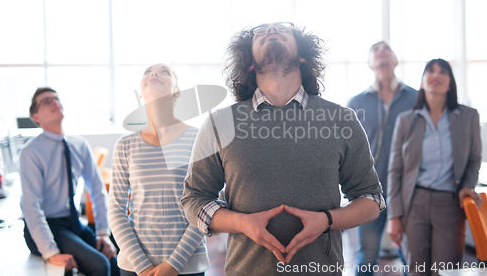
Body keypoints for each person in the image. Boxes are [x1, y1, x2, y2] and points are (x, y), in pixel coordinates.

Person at [181, 22, 385, 276]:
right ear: (250, 63)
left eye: (282, 29)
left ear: (302, 56)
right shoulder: (219, 123)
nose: (270, 30)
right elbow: (193, 199)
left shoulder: (342, 119)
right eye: (260, 31)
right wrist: (241, 223)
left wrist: (327, 221)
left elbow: (372, 200)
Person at [108, 64, 210, 276]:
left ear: (177, 91)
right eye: (148, 71)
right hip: (135, 267)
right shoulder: (125, 145)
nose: (153, 73)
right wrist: (143, 267)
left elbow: (205, 206)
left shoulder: (199, 139)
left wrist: (173, 265)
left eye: (164, 71)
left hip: (187, 265)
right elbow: (116, 211)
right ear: (141, 91)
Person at [387, 59, 482, 276]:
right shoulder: (406, 120)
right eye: (430, 71)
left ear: (450, 84)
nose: (435, 75)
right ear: (422, 82)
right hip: (414, 203)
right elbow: (395, 171)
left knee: (446, 271)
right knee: (416, 270)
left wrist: (468, 185)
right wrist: (394, 216)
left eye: (442, 71)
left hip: (450, 204)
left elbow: (475, 158)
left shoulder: (469, 117)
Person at [20, 87, 119, 276]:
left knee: (114, 260)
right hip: (46, 225)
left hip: (72, 223)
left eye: (55, 98)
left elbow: (97, 190)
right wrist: (51, 252)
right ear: (36, 117)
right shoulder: (30, 152)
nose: (54, 102)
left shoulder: (78, 144)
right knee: (99, 265)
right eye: (46, 101)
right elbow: (31, 207)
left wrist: (103, 232)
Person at [347, 41, 417, 275]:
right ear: (369, 63)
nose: (381, 52)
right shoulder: (356, 104)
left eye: (387, 49)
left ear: (396, 60)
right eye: (375, 50)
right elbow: (347, 149)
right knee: (366, 256)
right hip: (368, 192)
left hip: (407, 191)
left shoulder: (416, 99)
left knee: (411, 256)